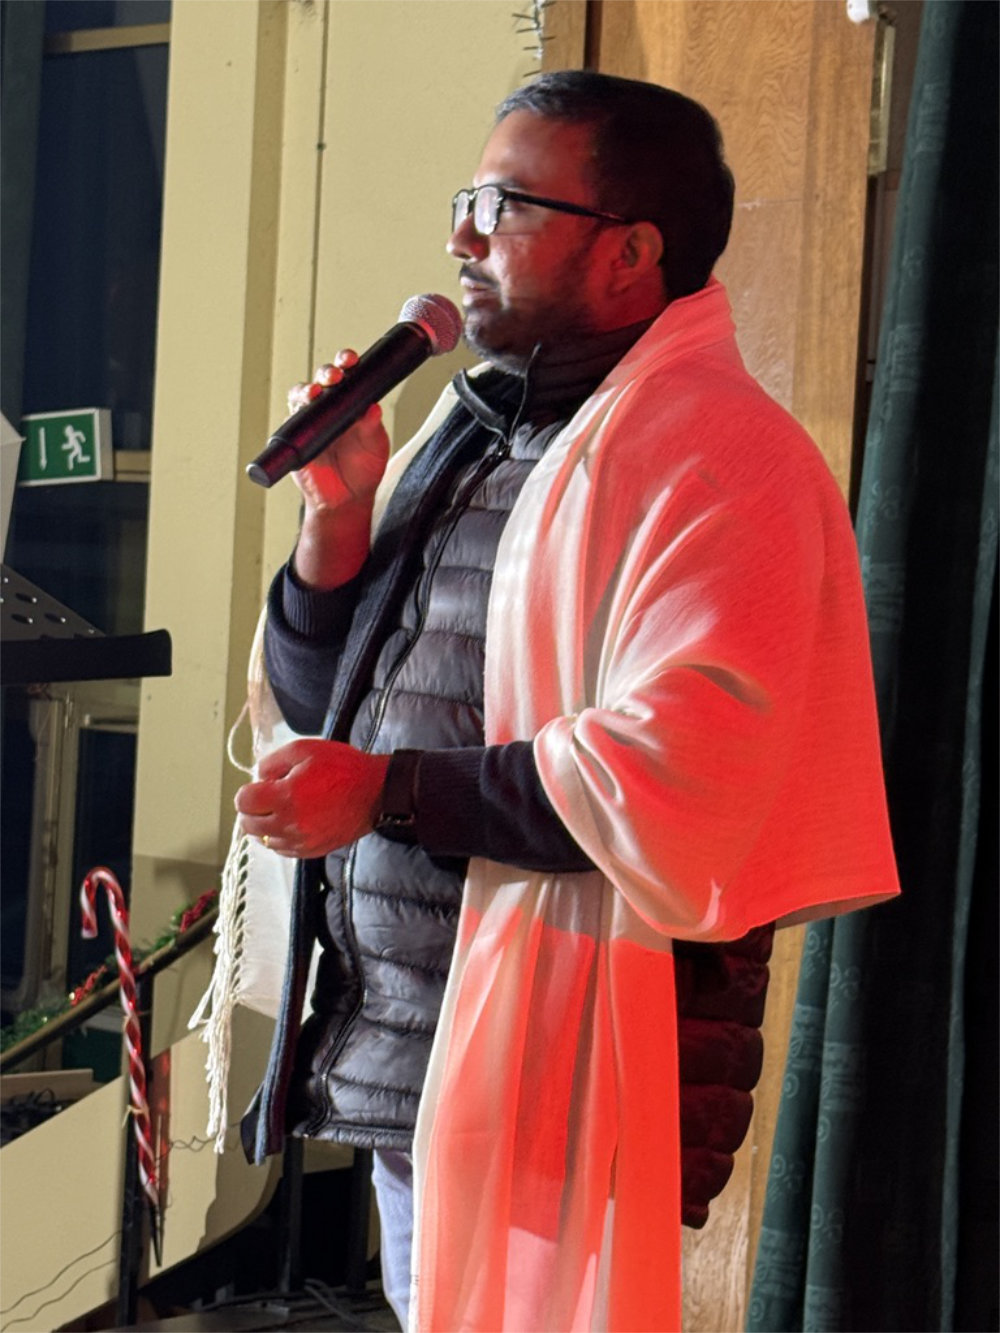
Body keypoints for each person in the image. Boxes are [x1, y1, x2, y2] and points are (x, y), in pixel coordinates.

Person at [236, 71, 899, 1332]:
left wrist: (381, 793)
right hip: (412, 1048)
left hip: (571, 1055)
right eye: (468, 199)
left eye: (504, 205)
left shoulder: (719, 455)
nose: (461, 236)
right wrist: (337, 523)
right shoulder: (472, 429)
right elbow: (334, 707)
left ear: (629, 252)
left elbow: (670, 768)